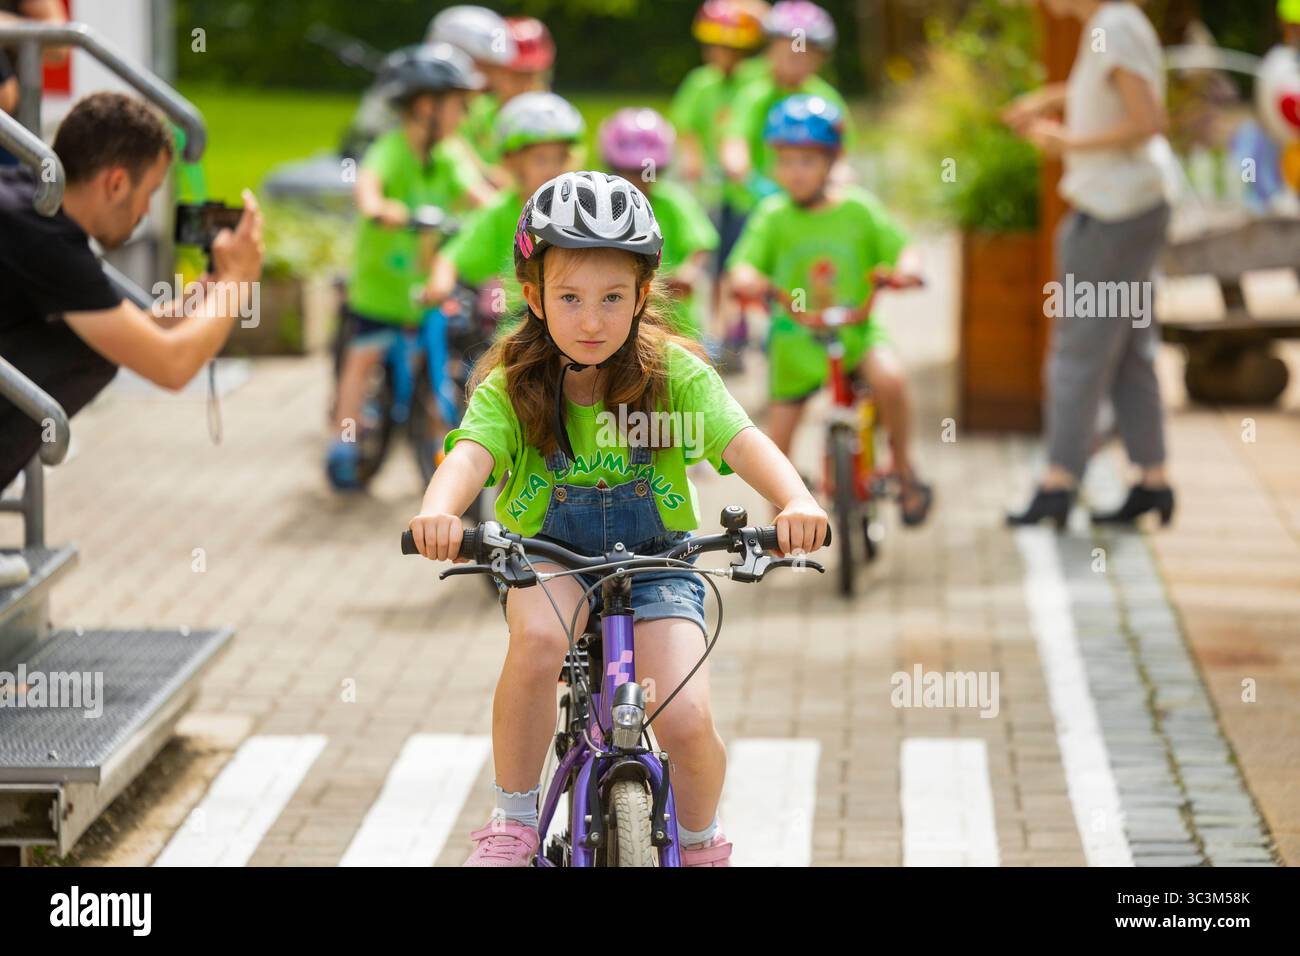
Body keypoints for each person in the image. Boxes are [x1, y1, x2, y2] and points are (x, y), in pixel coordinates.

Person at [406, 170, 830, 867]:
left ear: (642, 295)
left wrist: (797, 500)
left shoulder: (673, 375)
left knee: (687, 719)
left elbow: (742, 440)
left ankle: (699, 845)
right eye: (570, 298)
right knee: (540, 644)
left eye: (612, 298)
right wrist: (439, 512)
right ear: (534, 296)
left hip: (659, 561)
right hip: (547, 554)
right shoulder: (513, 383)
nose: (593, 320)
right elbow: (469, 456)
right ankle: (513, 818)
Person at [0, 91, 264, 491]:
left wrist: (205, 293)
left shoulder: (27, 198)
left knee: (97, 345)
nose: (145, 213)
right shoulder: (48, 243)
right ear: (118, 183)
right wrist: (237, 283)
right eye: (151, 193)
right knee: (93, 354)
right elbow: (171, 365)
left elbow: (121, 328)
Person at [1003, 0, 1174, 527]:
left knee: (1078, 350)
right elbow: (1114, 99)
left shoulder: (1115, 25)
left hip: (1112, 213)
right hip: (1130, 207)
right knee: (1128, 350)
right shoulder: (1114, 23)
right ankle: (1153, 480)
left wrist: (1065, 142)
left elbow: (1149, 121)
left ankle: (1059, 481)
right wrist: (1049, 99)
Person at [726, 94, 933, 526]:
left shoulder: (858, 209)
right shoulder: (773, 215)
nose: (794, 172)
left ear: (831, 161)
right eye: (785, 161)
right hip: (795, 342)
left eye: (806, 161)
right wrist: (746, 278)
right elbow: (744, 262)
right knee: (775, 438)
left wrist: (907, 271)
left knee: (891, 380)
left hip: (855, 334)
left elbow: (903, 248)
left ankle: (902, 466)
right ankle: (783, 521)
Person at [326, 43, 486, 490]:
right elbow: (368, 184)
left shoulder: (449, 155)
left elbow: (481, 199)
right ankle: (343, 438)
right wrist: (378, 206)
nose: (464, 115)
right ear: (425, 106)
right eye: (458, 105)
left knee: (442, 352)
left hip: (426, 288)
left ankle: (441, 436)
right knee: (362, 360)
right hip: (380, 290)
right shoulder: (391, 149)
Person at [425, 90, 584, 336]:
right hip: (514, 332)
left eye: (560, 158)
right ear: (513, 162)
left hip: (573, 325)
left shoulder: (581, 209)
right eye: (541, 159)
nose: (553, 169)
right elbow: (453, 255)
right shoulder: (498, 212)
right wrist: (441, 281)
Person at [599, 106, 718, 343]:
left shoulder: (672, 201)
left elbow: (701, 242)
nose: (640, 180)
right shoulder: (603, 206)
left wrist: (690, 270)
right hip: (621, 317)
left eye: (646, 171)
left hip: (675, 321)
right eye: (630, 171)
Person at [670, 0, 770, 215]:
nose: (718, 54)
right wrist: (692, 158)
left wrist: (762, 17)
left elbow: (781, 46)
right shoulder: (701, 82)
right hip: (713, 189)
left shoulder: (759, 78)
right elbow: (685, 126)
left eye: (728, 48)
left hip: (753, 190)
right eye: (712, 47)